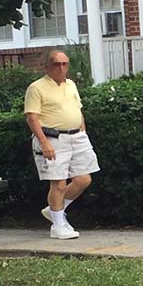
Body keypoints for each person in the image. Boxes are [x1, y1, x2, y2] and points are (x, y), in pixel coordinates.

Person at [24, 50, 99, 240]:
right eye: (57, 64)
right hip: (53, 138)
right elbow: (32, 117)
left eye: (65, 64)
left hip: (77, 137)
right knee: (58, 182)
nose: (61, 68)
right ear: (47, 66)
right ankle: (58, 226)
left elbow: (78, 110)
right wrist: (43, 142)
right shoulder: (37, 88)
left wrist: (82, 131)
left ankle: (56, 209)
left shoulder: (71, 85)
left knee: (84, 179)